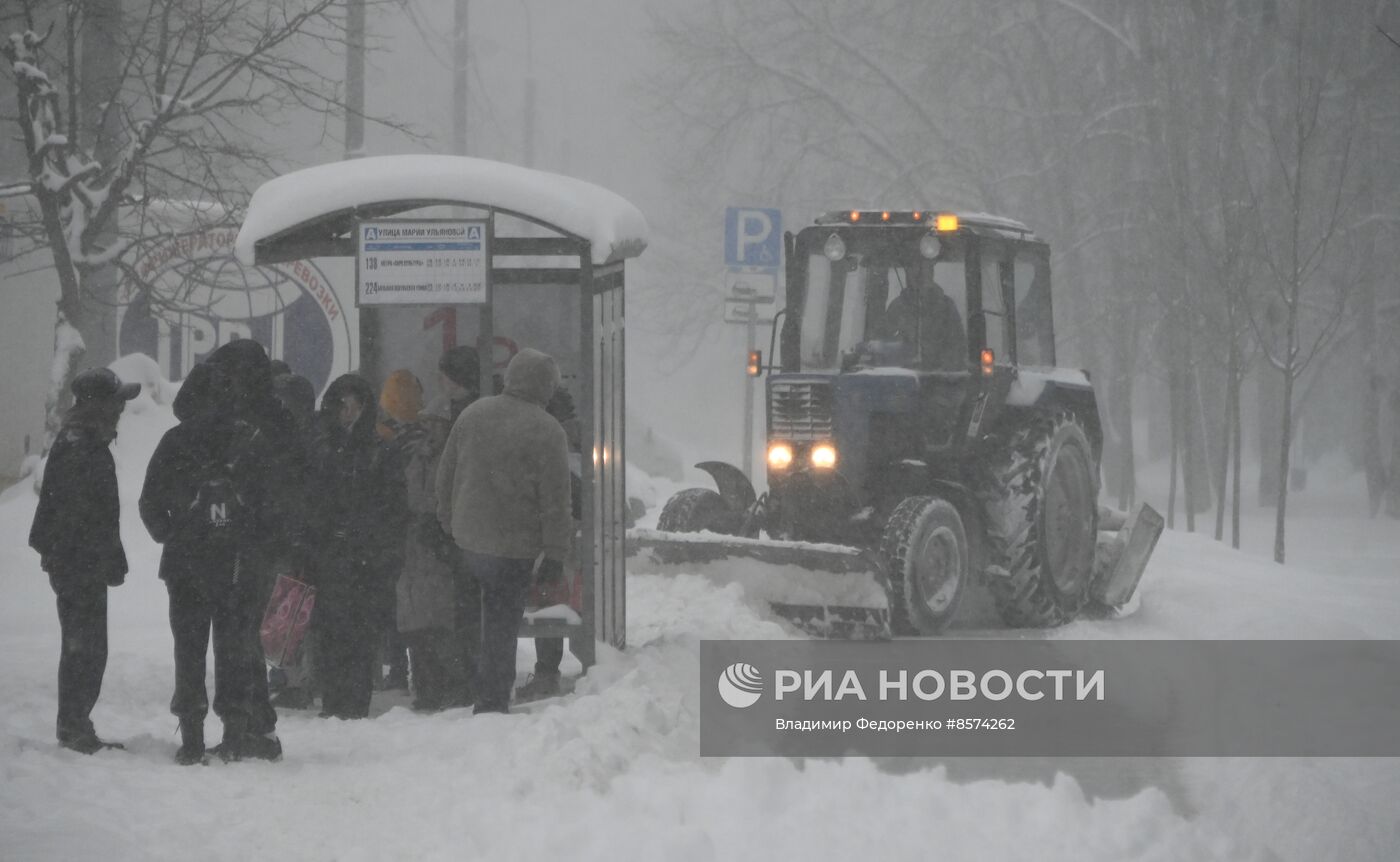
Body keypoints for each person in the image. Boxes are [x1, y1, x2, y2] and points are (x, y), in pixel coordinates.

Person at [140, 345, 291, 764]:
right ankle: (236, 732)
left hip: (185, 566)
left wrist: (173, 534)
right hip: (236, 567)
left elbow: (148, 502)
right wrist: (252, 539)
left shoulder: (175, 441)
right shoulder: (248, 439)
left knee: (188, 651)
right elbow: (271, 507)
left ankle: (191, 736)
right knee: (234, 650)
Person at [437, 348, 572, 714]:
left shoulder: (473, 414)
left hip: (467, 540)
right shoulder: (548, 430)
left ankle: (463, 685)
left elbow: (445, 475)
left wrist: (449, 524)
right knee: (500, 624)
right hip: (513, 547)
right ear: (546, 386)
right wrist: (555, 553)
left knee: (468, 620)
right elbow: (556, 499)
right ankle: (492, 699)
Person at [29, 367, 139, 754]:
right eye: (117, 401)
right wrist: (100, 556)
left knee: (88, 645)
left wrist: (110, 553)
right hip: (76, 562)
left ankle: (75, 723)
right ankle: (74, 726)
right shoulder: (80, 445)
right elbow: (79, 515)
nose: (122, 409)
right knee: (84, 645)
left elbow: (92, 513)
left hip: (79, 559)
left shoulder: (86, 439)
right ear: (99, 404)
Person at [308, 374, 406, 719]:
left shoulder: (379, 452)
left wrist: (378, 545)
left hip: (365, 555)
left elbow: (392, 506)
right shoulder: (321, 449)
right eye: (342, 405)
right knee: (330, 629)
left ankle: (355, 698)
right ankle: (334, 697)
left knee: (361, 631)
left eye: (355, 405)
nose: (348, 412)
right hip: (331, 554)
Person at [382, 370, 462, 711]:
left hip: (428, 543)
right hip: (423, 544)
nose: (429, 430)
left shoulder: (425, 454)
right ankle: (431, 685)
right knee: (422, 618)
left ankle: (437, 685)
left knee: (430, 619)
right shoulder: (423, 454)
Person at [514, 386, 583, 704]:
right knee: (557, 602)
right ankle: (549, 671)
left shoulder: (554, 444)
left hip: (554, 537)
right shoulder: (578, 442)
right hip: (571, 536)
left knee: (549, 601)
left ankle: (546, 673)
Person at [436, 345, 486, 705]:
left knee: (466, 606)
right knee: (470, 606)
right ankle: (469, 676)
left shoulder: (467, 416)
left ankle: (467, 678)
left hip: (465, 523)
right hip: (471, 522)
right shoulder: (470, 412)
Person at [879, 274, 967, 371]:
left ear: (932, 270)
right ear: (907, 273)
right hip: (902, 377)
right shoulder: (897, 306)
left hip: (941, 378)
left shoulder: (946, 306)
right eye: (913, 267)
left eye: (924, 268)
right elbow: (883, 341)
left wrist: (943, 366)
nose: (918, 273)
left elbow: (958, 344)